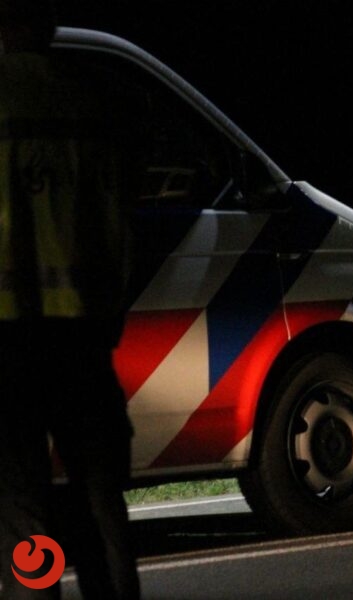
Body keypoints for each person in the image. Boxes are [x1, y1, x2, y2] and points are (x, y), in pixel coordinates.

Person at [0, 0, 140, 597]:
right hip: (82, 337)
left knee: (22, 505)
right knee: (99, 495)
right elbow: (120, 231)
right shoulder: (89, 104)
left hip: (8, 342)